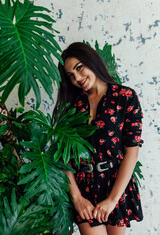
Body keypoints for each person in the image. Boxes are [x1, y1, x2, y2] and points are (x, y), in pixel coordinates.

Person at [56, 42, 143, 235]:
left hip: (115, 185)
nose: (77, 78)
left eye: (79, 68)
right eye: (71, 75)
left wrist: (112, 200)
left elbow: (132, 152)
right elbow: (63, 156)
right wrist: (77, 198)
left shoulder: (125, 97)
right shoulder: (72, 106)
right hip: (83, 188)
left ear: (91, 61)